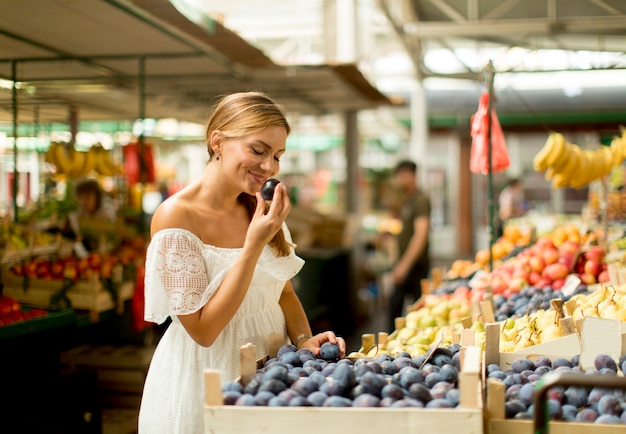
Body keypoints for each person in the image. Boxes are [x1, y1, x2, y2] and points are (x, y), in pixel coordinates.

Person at [138, 91, 346, 434]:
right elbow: (203, 331)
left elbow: (284, 293)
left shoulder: (258, 206)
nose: (269, 166)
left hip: (269, 379)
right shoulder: (176, 216)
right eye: (258, 150)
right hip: (205, 385)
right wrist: (252, 246)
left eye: (277, 155)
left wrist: (304, 341)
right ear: (217, 141)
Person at [387, 160, 431, 332]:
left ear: (413, 176)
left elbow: (421, 235)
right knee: (395, 309)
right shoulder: (406, 199)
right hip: (403, 263)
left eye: (405, 175)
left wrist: (404, 265)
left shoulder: (420, 200)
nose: (401, 179)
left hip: (415, 265)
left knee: (414, 311)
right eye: (399, 175)